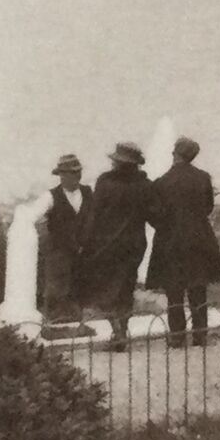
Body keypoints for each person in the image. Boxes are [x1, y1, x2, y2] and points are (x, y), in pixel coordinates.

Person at [77, 141, 161, 350]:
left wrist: (86, 243)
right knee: (125, 288)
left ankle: (117, 329)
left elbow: (94, 216)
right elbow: (155, 217)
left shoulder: (105, 182)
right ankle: (121, 329)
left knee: (107, 288)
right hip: (133, 246)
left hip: (107, 245)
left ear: (117, 162)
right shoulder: (144, 185)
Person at [148, 136, 220, 348]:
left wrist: (166, 226)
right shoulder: (203, 178)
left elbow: (154, 213)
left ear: (175, 154)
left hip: (170, 240)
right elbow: (208, 207)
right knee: (198, 288)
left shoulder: (162, 182)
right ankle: (200, 334)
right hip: (199, 238)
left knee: (174, 291)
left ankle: (177, 336)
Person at [27, 154, 93, 325]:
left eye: (78, 172)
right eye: (71, 173)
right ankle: (54, 327)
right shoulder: (50, 197)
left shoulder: (88, 193)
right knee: (56, 295)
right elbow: (30, 217)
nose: (76, 176)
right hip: (58, 257)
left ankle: (77, 327)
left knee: (79, 295)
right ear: (61, 175)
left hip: (82, 257)